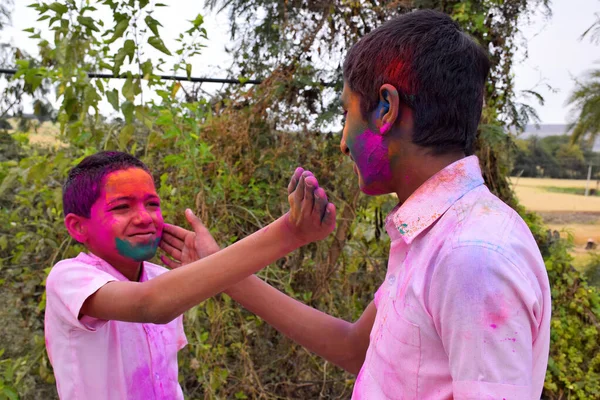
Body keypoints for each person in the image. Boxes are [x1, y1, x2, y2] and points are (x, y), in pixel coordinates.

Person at [162, 9, 551, 399]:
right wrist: (215, 268)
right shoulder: (435, 235)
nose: (343, 141)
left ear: (386, 109)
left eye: (347, 112)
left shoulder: (471, 256)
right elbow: (356, 347)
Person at [44, 150, 335, 400]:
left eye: (152, 204)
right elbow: (149, 305)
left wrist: (208, 263)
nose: (145, 218)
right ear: (78, 227)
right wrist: (288, 233)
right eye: (121, 207)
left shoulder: (161, 278)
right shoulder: (69, 277)